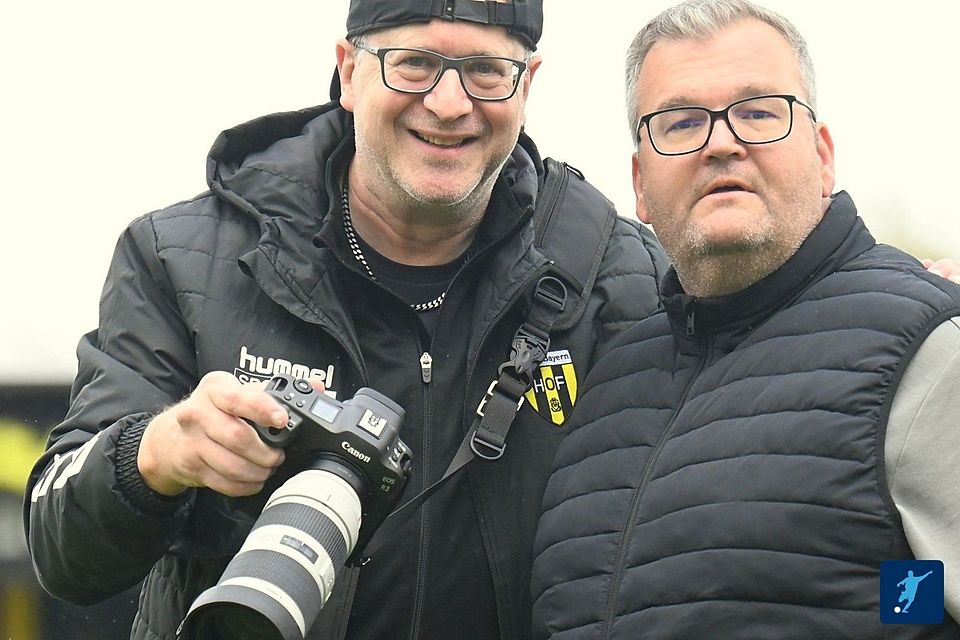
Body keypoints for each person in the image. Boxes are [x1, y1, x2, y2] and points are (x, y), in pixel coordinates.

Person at [22, 1, 669, 639]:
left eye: (486, 71)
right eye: (412, 64)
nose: (448, 103)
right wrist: (153, 457)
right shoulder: (182, 262)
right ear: (349, 70)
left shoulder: (620, 279)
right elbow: (63, 556)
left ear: (526, 85)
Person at [530, 1, 960, 638]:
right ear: (640, 182)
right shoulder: (602, 398)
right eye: (679, 123)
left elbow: (919, 603)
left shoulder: (929, 355)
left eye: (759, 113)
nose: (723, 143)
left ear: (823, 155)